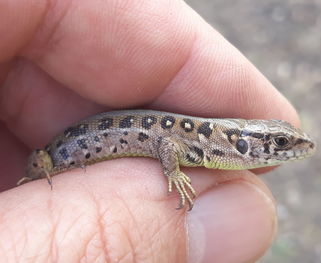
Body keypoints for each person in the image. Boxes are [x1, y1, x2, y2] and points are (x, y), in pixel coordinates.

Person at [0, 1, 300, 262]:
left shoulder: (207, 147)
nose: (288, 149)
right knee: (40, 163)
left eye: (282, 143)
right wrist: (173, 174)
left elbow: (169, 142)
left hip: (88, 147)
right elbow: (168, 143)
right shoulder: (199, 144)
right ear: (244, 142)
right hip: (60, 151)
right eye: (281, 143)